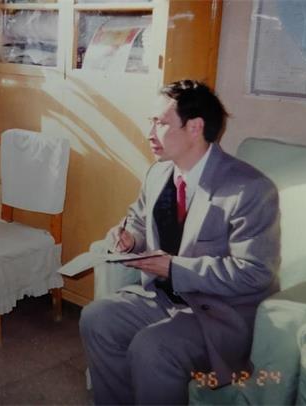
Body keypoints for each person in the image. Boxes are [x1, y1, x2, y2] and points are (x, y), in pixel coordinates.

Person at [79, 80, 281, 404]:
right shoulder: (158, 174)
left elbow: (254, 272)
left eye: (160, 123)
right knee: (97, 318)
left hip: (218, 314)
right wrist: (129, 239)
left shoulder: (249, 188)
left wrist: (174, 269)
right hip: (164, 299)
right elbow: (138, 220)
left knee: (152, 348)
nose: (150, 133)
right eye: (151, 122)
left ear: (195, 127)